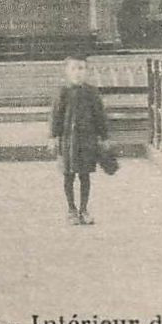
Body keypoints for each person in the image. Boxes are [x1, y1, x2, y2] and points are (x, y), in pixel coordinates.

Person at [50, 53, 109, 226]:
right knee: (68, 175)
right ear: (67, 71)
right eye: (74, 68)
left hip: (87, 140)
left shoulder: (92, 92)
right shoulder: (63, 92)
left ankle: (84, 209)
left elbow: (100, 116)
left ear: (87, 71)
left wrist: (104, 136)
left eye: (81, 68)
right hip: (68, 140)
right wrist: (54, 136)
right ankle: (71, 209)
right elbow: (56, 116)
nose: (78, 72)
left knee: (85, 175)